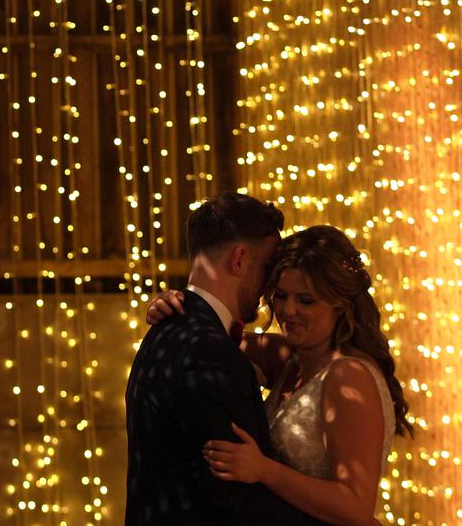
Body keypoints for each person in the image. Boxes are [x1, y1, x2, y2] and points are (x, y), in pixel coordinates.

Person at [143, 225, 413, 525]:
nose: (288, 310)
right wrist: (175, 306)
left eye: (305, 300)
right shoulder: (285, 356)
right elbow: (209, 340)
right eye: (281, 296)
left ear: (340, 304)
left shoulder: (348, 376)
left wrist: (264, 470)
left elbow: (356, 506)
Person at [124, 192, 324, 525]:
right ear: (240, 259)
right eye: (267, 268)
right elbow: (236, 498)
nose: (269, 288)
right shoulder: (208, 351)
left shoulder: (167, 329)